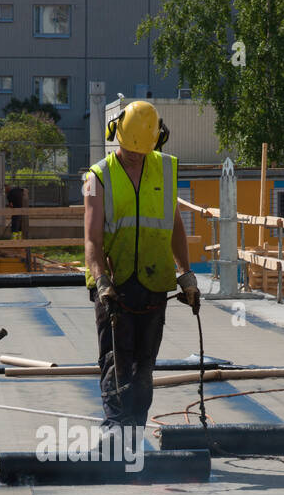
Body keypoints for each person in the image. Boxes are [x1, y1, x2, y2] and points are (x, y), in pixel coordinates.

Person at [83, 99, 199, 448]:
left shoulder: (165, 169)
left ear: (156, 141)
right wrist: (101, 280)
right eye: (129, 151)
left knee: (144, 366)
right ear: (116, 136)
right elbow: (91, 238)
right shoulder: (96, 177)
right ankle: (113, 436)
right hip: (114, 285)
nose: (135, 157)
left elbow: (174, 224)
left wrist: (186, 273)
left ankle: (132, 435)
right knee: (115, 361)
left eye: (141, 152)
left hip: (154, 281)